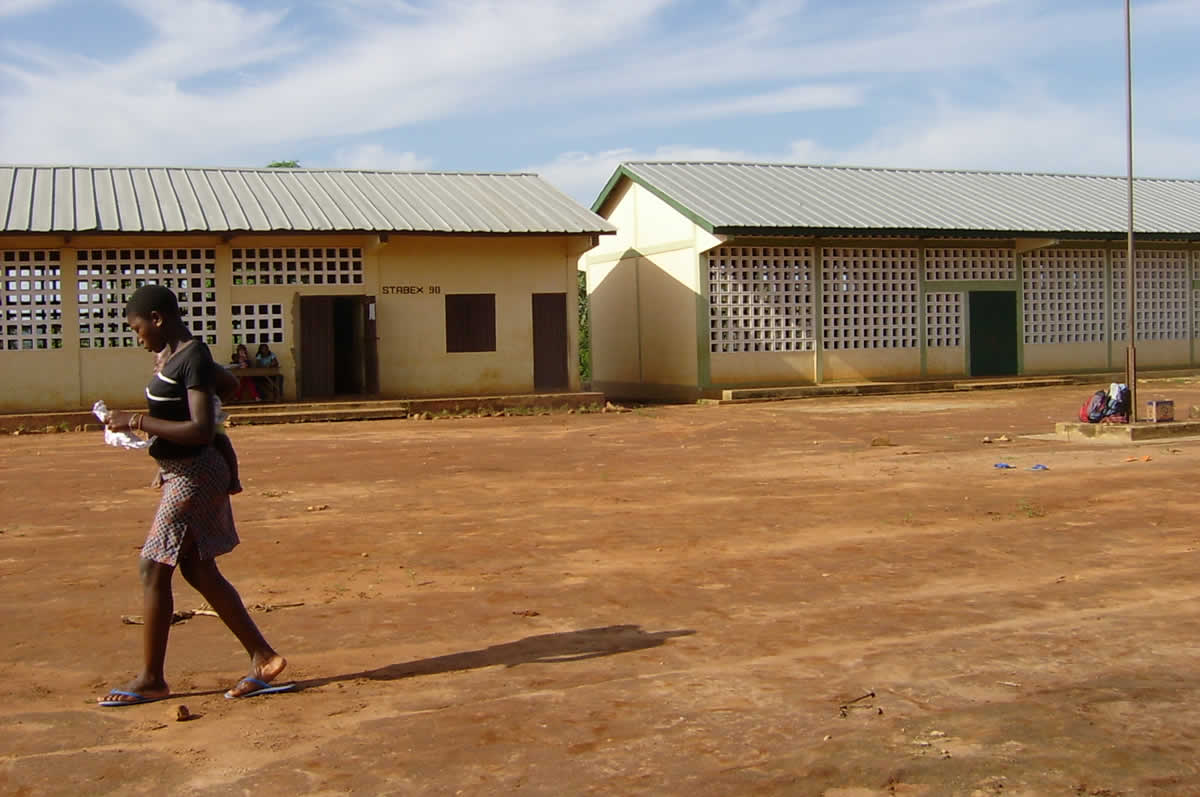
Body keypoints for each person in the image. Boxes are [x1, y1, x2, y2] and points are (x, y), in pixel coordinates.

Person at [98, 284, 289, 706]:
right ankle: (264, 657)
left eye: (138, 327)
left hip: (196, 476)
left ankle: (151, 679)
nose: (138, 336)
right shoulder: (179, 359)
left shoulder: (192, 357)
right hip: (182, 472)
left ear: (158, 319)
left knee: (153, 567)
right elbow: (228, 383)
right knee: (199, 570)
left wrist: (138, 421)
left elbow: (201, 430)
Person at [154, 346, 242, 495]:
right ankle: (162, 471)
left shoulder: (194, 378)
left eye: (160, 364)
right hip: (184, 422)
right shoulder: (165, 388)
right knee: (164, 441)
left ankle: (234, 478)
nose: (156, 369)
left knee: (221, 440)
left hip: (208, 418)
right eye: (155, 365)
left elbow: (229, 386)